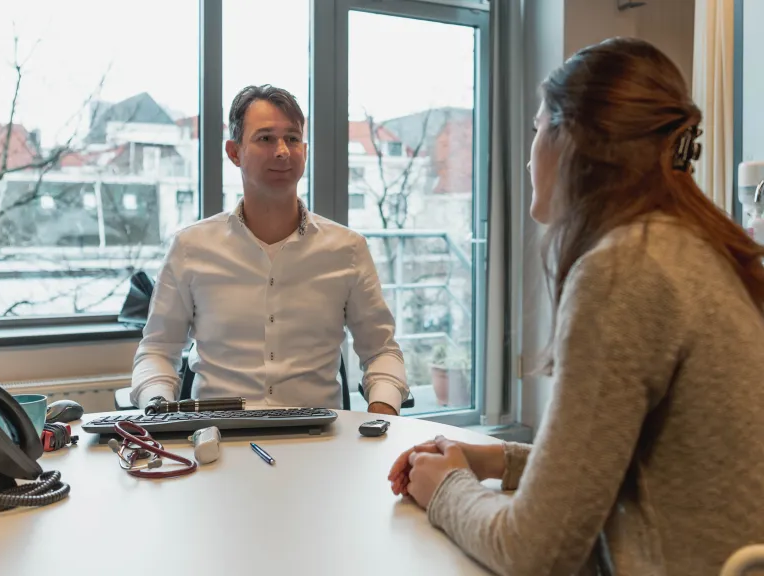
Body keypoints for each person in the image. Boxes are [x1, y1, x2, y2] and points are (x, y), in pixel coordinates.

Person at [388, 37, 764, 575]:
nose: (528, 156)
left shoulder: (625, 268)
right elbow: (610, 465)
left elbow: (535, 553)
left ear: (570, 139)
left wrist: (445, 486)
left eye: (537, 128)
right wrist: (495, 459)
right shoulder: (693, 248)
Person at [131, 84, 408, 416]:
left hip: (318, 437)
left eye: (292, 139)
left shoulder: (347, 249)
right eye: (265, 138)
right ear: (234, 152)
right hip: (218, 435)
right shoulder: (190, 248)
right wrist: (158, 407)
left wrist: (382, 413)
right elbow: (158, 350)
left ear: (305, 150)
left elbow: (381, 351)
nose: (282, 151)